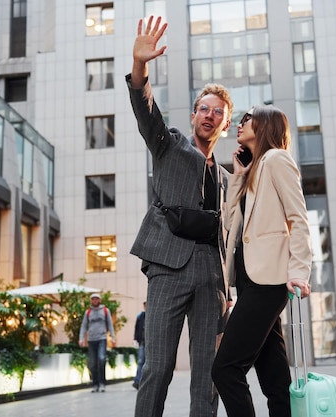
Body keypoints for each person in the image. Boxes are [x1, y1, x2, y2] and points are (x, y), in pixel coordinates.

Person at [127, 15, 233, 417]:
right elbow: (145, 107)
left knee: (208, 375)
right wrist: (140, 66)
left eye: (217, 112)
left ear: (225, 123)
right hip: (168, 267)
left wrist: (228, 289)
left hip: (212, 277)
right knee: (157, 366)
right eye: (203, 109)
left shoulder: (226, 178)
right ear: (193, 117)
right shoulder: (168, 145)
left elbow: (229, 236)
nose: (209, 115)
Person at [211, 105, 313, 417]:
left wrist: (299, 271)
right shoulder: (254, 169)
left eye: (247, 119)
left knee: (225, 369)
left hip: (268, 282)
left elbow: (298, 218)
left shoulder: (277, 159)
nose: (240, 125)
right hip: (250, 280)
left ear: (266, 125)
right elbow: (231, 225)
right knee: (274, 378)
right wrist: (239, 177)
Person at [79, 293, 115, 393]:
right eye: (93, 299)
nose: (95, 301)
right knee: (93, 363)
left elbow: (110, 325)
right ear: (91, 300)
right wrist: (81, 338)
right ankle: (95, 384)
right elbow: (83, 326)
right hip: (91, 339)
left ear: (99, 300)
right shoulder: (88, 312)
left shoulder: (105, 311)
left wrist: (113, 337)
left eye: (96, 299)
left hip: (102, 338)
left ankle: (102, 383)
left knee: (101, 359)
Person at [133, 301, 146, 389]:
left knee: (147, 362)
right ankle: (137, 381)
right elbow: (137, 328)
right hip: (142, 342)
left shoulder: (154, 315)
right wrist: (135, 339)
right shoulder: (140, 316)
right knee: (141, 361)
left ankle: (145, 381)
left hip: (150, 343)